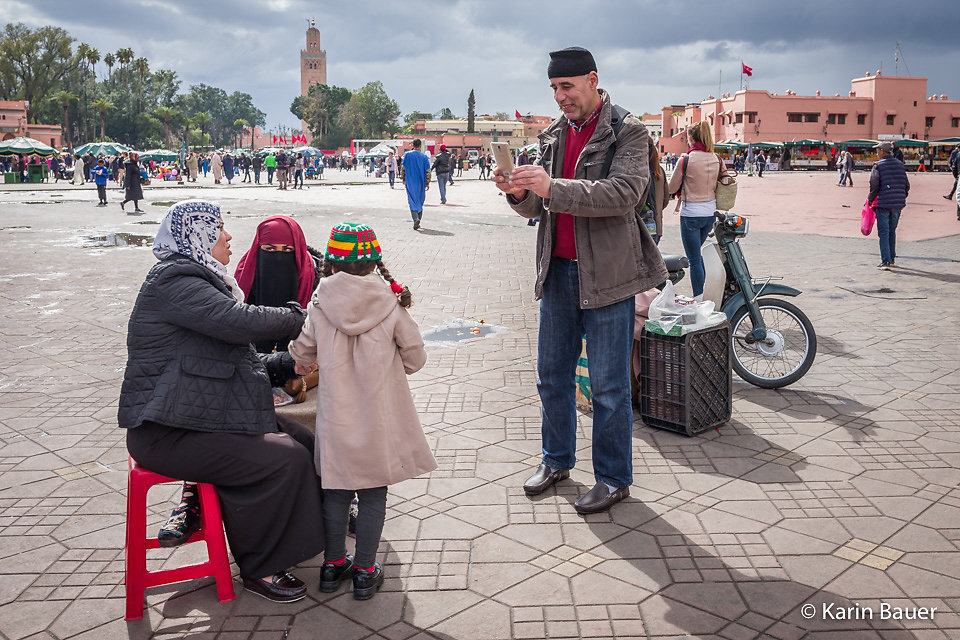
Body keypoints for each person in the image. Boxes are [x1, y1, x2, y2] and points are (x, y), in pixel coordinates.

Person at [120, 200, 323, 604]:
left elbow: (239, 360)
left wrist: (288, 363)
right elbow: (240, 322)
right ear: (197, 236)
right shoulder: (175, 280)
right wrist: (307, 316)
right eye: (220, 229)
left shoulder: (201, 280)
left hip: (198, 416)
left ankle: (296, 540)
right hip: (167, 430)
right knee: (282, 457)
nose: (229, 237)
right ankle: (261, 565)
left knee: (303, 440)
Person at [494, 46, 667, 514]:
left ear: (592, 80)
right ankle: (556, 460)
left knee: (609, 387)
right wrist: (519, 194)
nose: (559, 97)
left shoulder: (627, 130)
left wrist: (551, 188)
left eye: (566, 87)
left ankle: (613, 478)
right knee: (552, 377)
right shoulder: (554, 134)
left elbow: (624, 194)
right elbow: (540, 207)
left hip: (609, 278)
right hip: (557, 273)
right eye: (553, 88)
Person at [288, 222, 436, 600]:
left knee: (335, 492)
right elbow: (416, 358)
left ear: (332, 264)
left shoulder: (320, 302)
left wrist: (306, 362)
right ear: (374, 263)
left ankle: (332, 564)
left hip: (337, 421)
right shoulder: (390, 302)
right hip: (378, 420)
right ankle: (366, 571)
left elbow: (302, 353)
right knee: (373, 494)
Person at [235, 215, 321, 353]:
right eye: (270, 249)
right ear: (259, 248)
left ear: (298, 251)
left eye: (287, 250)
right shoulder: (245, 275)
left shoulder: (316, 283)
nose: (279, 257)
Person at [667, 121, 721, 298]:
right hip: (709, 214)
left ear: (690, 138)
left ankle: (700, 298)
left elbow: (671, 187)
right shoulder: (716, 158)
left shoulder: (686, 159)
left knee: (694, 259)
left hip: (691, 215)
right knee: (697, 255)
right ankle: (708, 292)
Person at [869, 141, 909, 270]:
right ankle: (891, 259)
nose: (876, 153)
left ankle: (885, 261)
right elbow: (907, 185)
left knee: (884, 232)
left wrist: (870, 200)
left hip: (883, 203)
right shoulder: (900, 164)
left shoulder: (878, 166)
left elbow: (874, 185)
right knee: (892, 231)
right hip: (897, 204)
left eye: (877, 151)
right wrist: (901, 197)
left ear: (882, 151)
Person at [401, 139, 430, 229]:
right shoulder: (424, 157)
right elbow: (428, 171)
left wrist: (403, 178)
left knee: (411, 200)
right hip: (421, 182)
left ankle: (415, 218)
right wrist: (427, 182)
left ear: (413, 145)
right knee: (420, 200)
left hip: (410, 181)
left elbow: (403, 168)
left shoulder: (407, 155)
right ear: (420, 145)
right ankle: (418, 219)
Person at [644, 138, 667, 245]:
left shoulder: (635, 172)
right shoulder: (660, 171)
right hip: (655, 225)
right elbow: (665, 200)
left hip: (639, 226)